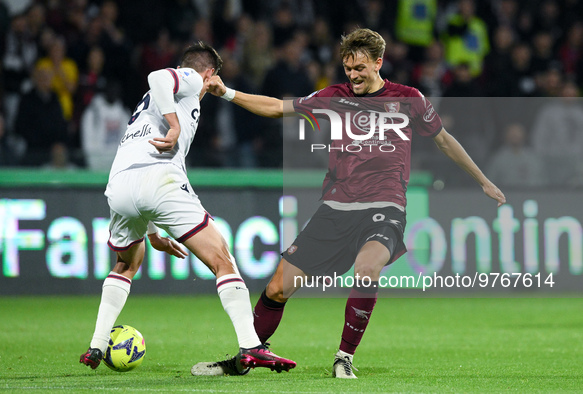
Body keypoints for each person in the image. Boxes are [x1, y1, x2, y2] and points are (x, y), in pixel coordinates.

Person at [191, 28, 506, 379]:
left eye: (359, 68)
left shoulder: (409, 99)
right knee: (278, 288)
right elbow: (279, 108)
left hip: (384, 208)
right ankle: (245, 358)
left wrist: (483, 181)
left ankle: (344, 357)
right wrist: (228, 92)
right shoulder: (333, 96)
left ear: (378, 63)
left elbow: (444, 141)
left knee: (367, 269)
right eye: (348, 68)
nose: (353, 75)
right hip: (335, 209)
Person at [79, 42, 296, 374]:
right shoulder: (192, 81)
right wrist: (175, 125)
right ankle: (252, 347)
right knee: (222, 259)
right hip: (159, 180)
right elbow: (157, 75)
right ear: (209, 73)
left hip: (121, 185)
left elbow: (140, 178)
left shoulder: (149, 105)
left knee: (126, 262)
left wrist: (152, 230)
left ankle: (96, 345)